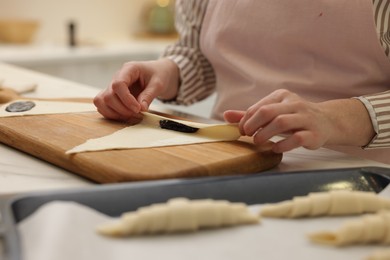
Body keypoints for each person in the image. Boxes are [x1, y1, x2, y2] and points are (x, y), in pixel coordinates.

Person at [94, 0, 390, 163]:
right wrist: (164, 72)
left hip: (354, 175)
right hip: (221, 160)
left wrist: (331, 120)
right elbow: (202, 55)